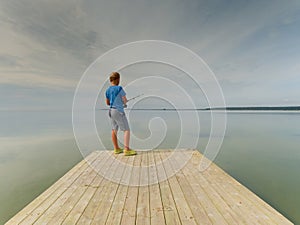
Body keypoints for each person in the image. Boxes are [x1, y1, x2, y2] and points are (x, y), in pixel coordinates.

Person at [105, 72, 137, 156]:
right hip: (119, 111)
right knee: (126, 130)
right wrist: (124, 103)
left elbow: (107, 102)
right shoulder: (119, 88)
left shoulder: (107, 90)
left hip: (111, 111)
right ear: (118, 79)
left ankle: (116, 149)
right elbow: (125, 100)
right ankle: (127, 149)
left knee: (114, 130)